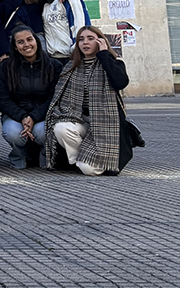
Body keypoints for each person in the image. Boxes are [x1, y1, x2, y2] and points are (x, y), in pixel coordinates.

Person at [46, 26, 132, 176]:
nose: (85, 42)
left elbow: (120, 82)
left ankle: (89, 161)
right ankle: (81, 159)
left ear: (100, 41)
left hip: (104, 125)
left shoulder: (113, 64)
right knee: (61, 128)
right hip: (78, 120)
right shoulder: (70, 67)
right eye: (81, 39)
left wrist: (104, 54)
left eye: (90, 38)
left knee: (89, 170)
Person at [0, 26, 63, 169]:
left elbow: (55, 97)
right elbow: (2, 98)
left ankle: (45, 154)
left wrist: (33, 116)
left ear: (36, 40)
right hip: (16, 115)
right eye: (20, 42)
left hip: (44, 115)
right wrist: (23, 117)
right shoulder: (6, 67)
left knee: (42, 132)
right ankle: (18, 155)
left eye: (29, 39)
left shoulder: (54, 65)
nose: (26, 45)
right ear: (15, 46)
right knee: (13, 133)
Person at [29, 0, 89, 65]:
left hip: (72, 56)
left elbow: (79, 23)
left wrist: (77, 49)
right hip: (53, 58)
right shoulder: (42, 4)